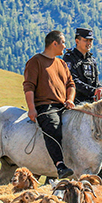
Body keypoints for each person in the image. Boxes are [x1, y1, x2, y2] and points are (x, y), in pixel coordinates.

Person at [63, 27, 102, 182]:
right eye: (86, 40)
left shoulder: (91, 59)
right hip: (75, 103)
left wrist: (99, 91)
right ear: (77, 41)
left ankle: (100, 166)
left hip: (91, 105)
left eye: (91, 40)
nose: (89, 43)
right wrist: (93, 90)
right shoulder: (70, 58)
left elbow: (95, 82)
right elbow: (72, 81)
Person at [23, 30, 76, 180]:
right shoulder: (36, 61)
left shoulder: (62, 64)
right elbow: (29, 86)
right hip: (45, 106)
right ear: (54, 43)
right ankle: (59, 165)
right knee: (53, 126)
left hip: (63, 106)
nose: (65, 46)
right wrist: (32, 109)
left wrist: (70, 99)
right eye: (63, 42)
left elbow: (71, 85)